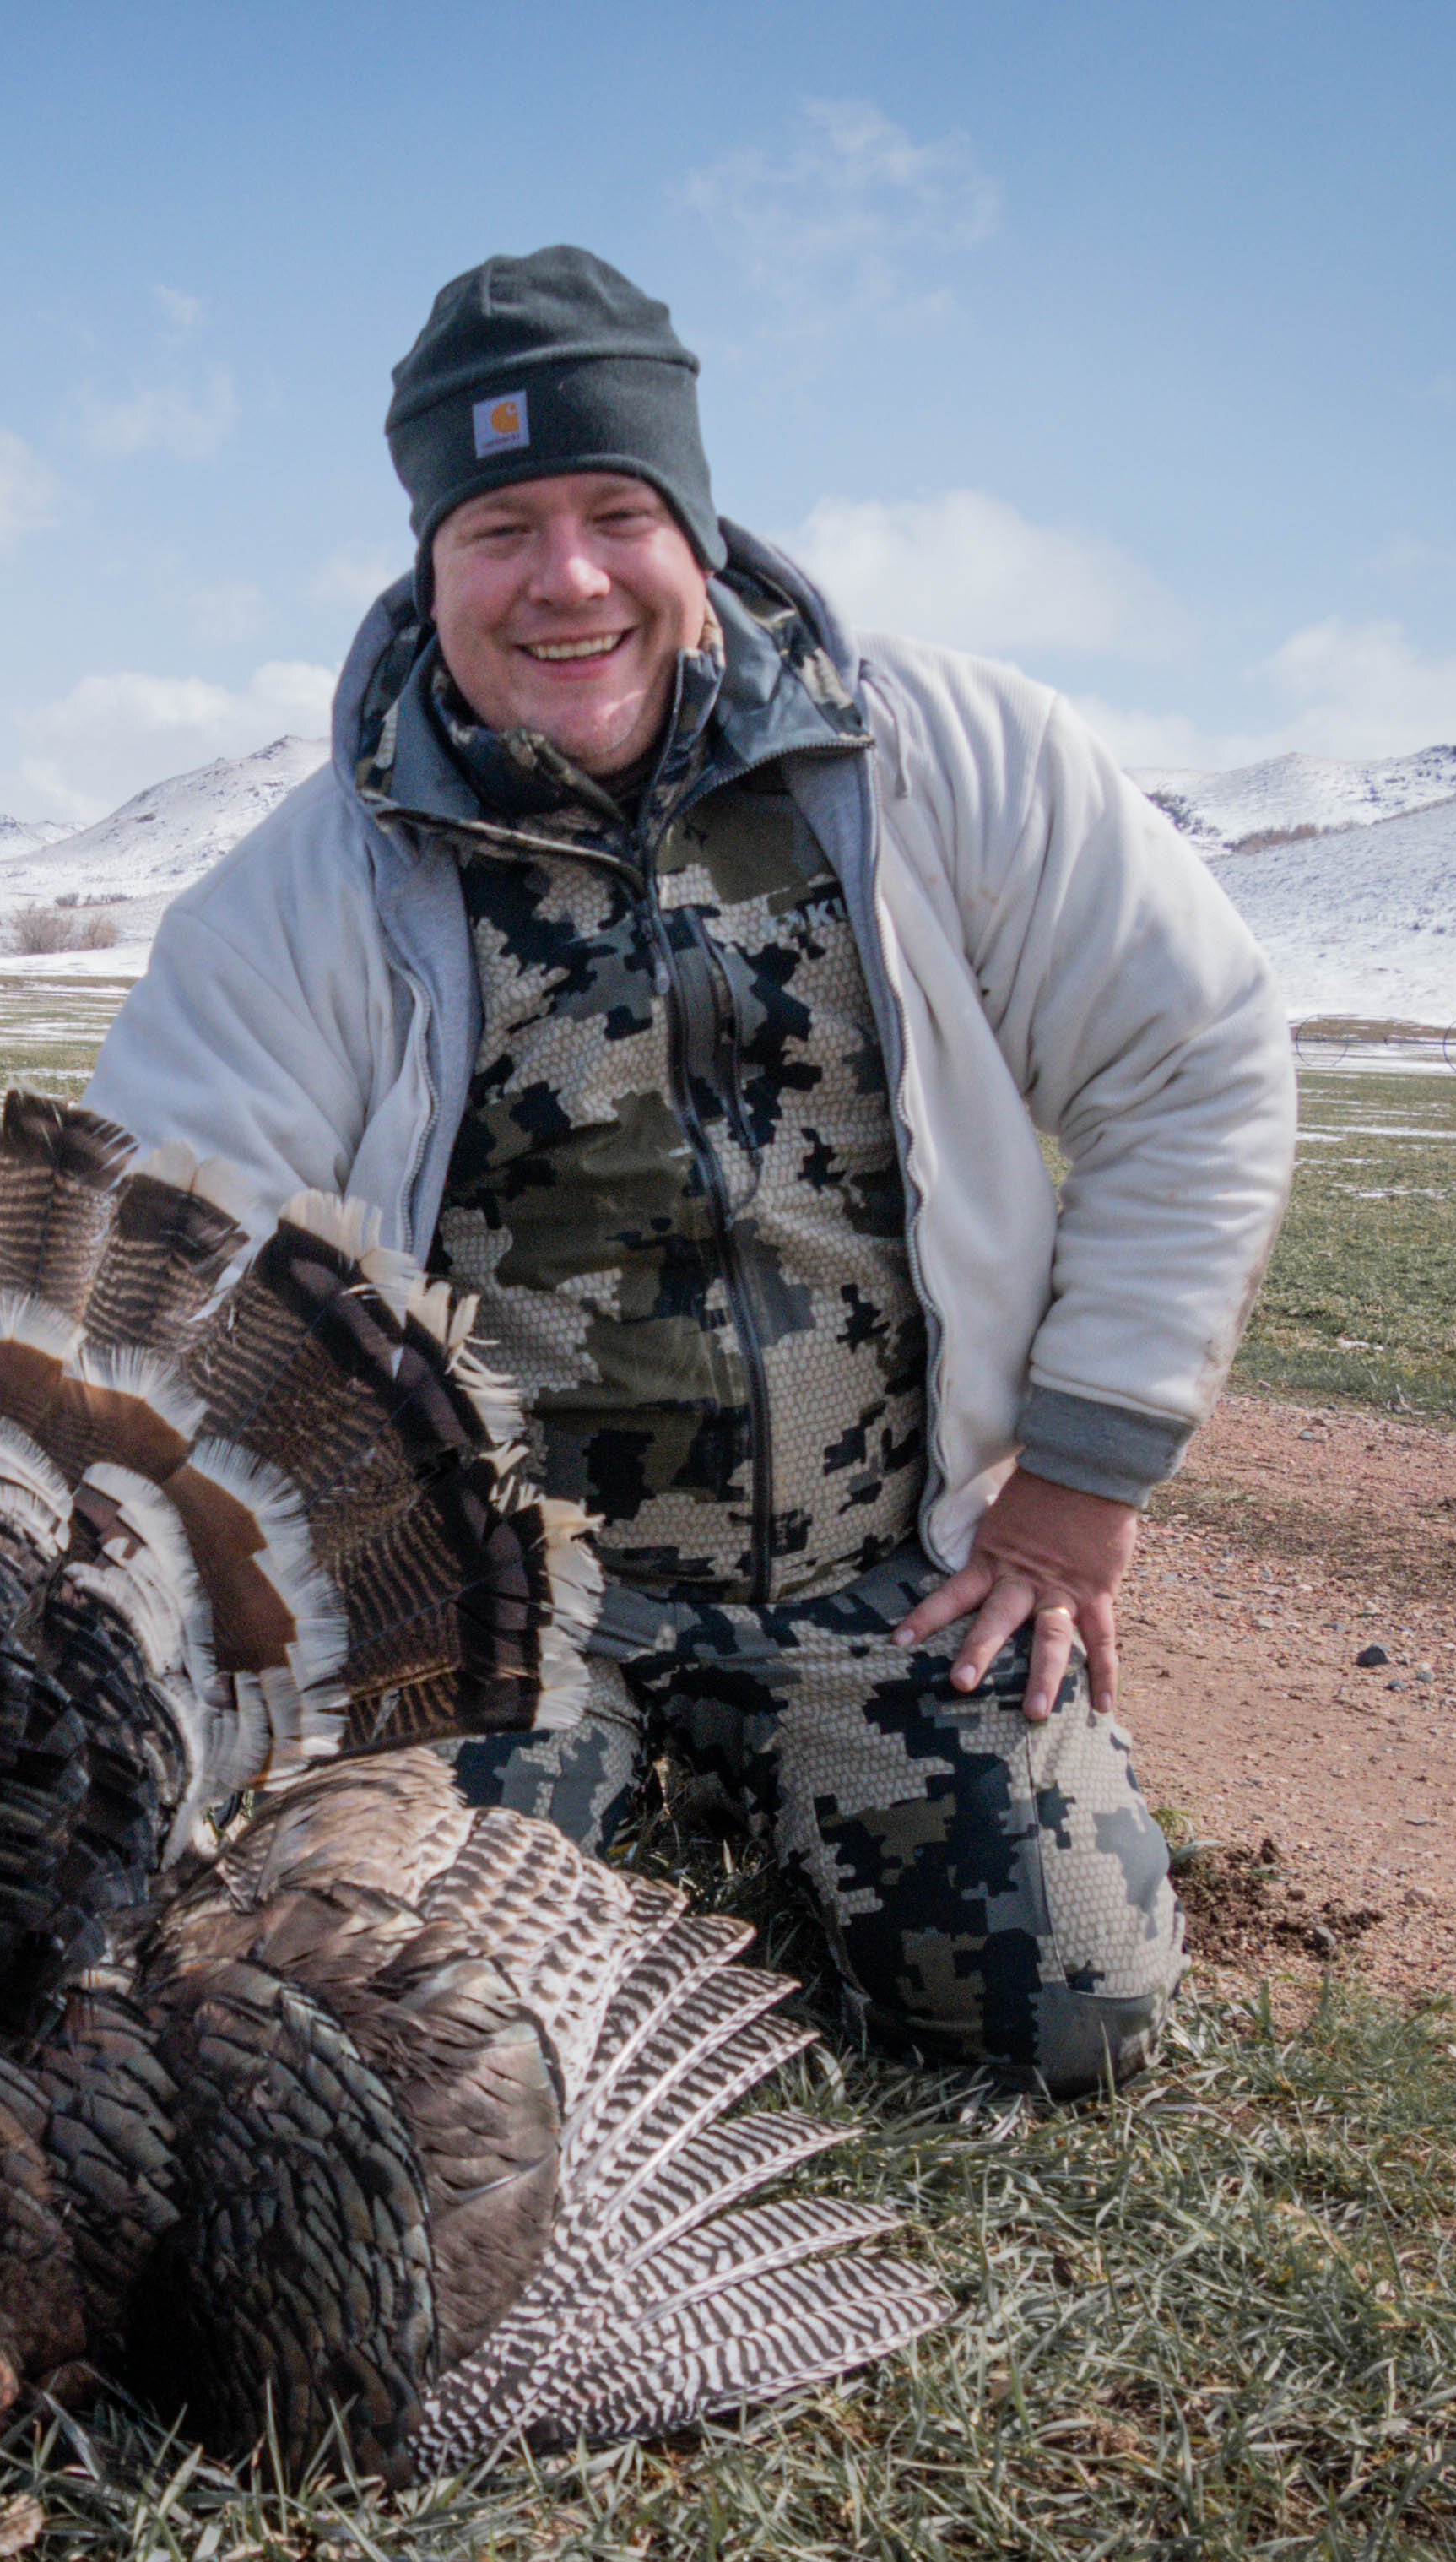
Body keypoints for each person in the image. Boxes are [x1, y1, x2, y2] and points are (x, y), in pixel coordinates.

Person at [84, 246, 1295, 2099]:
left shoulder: (940, 756)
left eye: (614, 511)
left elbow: (1190, 1055)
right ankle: (596, 1794)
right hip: (503, 1609)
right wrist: (283, 1622)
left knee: (1076, 2010)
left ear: (695, 529)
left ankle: (807, 1780)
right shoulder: (303, 891)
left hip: (891, 1574)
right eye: (497, 526)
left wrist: (1073, 1486)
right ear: (429, 558)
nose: (563, 578)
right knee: (405, 2048)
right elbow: (178, 1263)